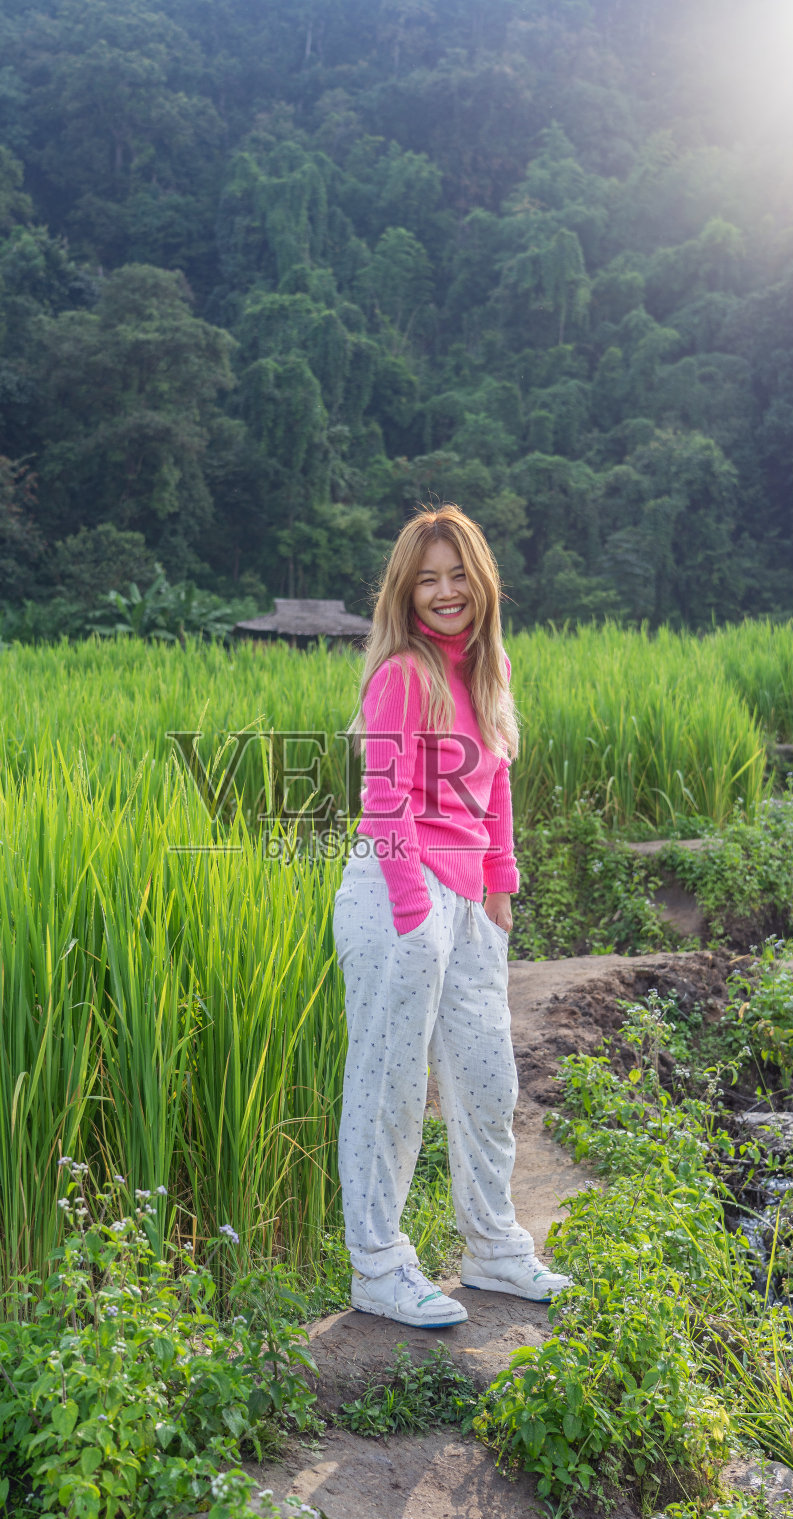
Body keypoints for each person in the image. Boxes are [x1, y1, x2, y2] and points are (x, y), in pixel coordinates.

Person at [331, 504, 572, 1329]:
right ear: (405, 591)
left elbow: (496, 784)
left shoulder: (486, 669)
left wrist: (498, 896)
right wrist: (413, 914)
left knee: (486, 1079)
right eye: (426, 579)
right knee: (389, 1081)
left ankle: (495, 1250)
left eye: (458, 575)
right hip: (398, 896)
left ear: (483, 583)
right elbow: (384, 803)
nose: (444, 592)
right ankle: (379, 1266)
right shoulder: (402, 673)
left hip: (468, 903)